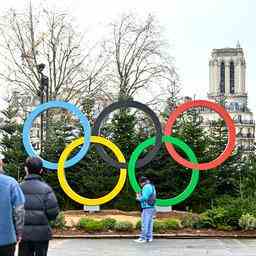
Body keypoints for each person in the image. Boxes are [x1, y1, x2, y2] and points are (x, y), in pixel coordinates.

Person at [18, 157, 59, 256]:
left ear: (26, 169)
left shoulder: (18, 188)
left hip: (24, 234)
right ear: (41, 170)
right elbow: (53, 213)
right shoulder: (46, 189)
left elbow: (14, 211)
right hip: (42, 234)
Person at [0, 153, 25, 256]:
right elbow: (19, 210)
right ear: (1, 164)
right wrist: (19, 233)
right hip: (6, 239)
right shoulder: (11, 183)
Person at [134, 176, 156, 243]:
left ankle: (143, 238)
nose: (140, 185)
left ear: (142, 182)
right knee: (150, 224)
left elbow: (145, 197)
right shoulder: (152, 186)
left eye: (140, 183)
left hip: (147, 207)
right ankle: (149, 238)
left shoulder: (146, 187)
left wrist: (138, 198)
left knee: (144, 223)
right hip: (152, 207)